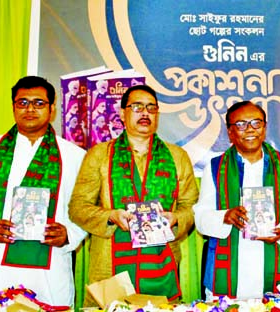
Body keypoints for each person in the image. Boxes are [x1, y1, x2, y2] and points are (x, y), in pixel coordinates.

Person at [69, 85, 198, 304]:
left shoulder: (177, 156)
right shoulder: (99, 154)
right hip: (110, 265)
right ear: (122, 113)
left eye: (151, 108)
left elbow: (192, 207)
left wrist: (176, 218)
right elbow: (78, 207)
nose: (145, 113)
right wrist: (110, 216)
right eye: (137, 107)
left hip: (161, 263)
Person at [0, 76, 87, 306]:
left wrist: (69, 234)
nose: (30, 109)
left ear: (52, 108)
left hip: (49, 268)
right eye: (22, 103)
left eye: (38, 103)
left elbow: (85, 209)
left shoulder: (75, 156)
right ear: (13, 107)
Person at [193, 101, 280, 300]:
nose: (250, 129)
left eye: (256, 123)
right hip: (232, 266)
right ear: (230, 133)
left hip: (278, 254)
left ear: (265, 128)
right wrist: (225, 216)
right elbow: (201, 216)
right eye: (241, 124)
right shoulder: (215, 168)